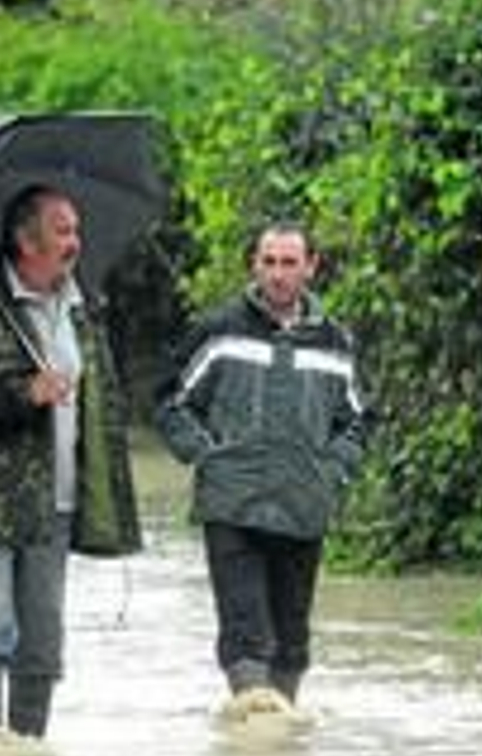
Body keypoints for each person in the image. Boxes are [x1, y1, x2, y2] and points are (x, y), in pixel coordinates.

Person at [0, 185, 138, 738]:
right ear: (26, 240)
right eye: (61, 230)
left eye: (75, 229)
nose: (75, 241)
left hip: (59, 499)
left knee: (43, 642)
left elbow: (103, 402)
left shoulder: (84, 306)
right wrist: (23, 393)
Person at [154, 221, 366, 712]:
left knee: (292, 642)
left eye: (289, 263)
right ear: (254, 265)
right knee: (245, 634)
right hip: (231, 505)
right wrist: (205, 455)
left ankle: (282, 747)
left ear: (311, 267)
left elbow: (358, 421)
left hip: (303, 505)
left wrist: (333, 469)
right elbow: (170, 401)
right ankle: (254, 732)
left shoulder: (336, 341)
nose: (277, 274)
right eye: (268, 262)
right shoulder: (219, 331)